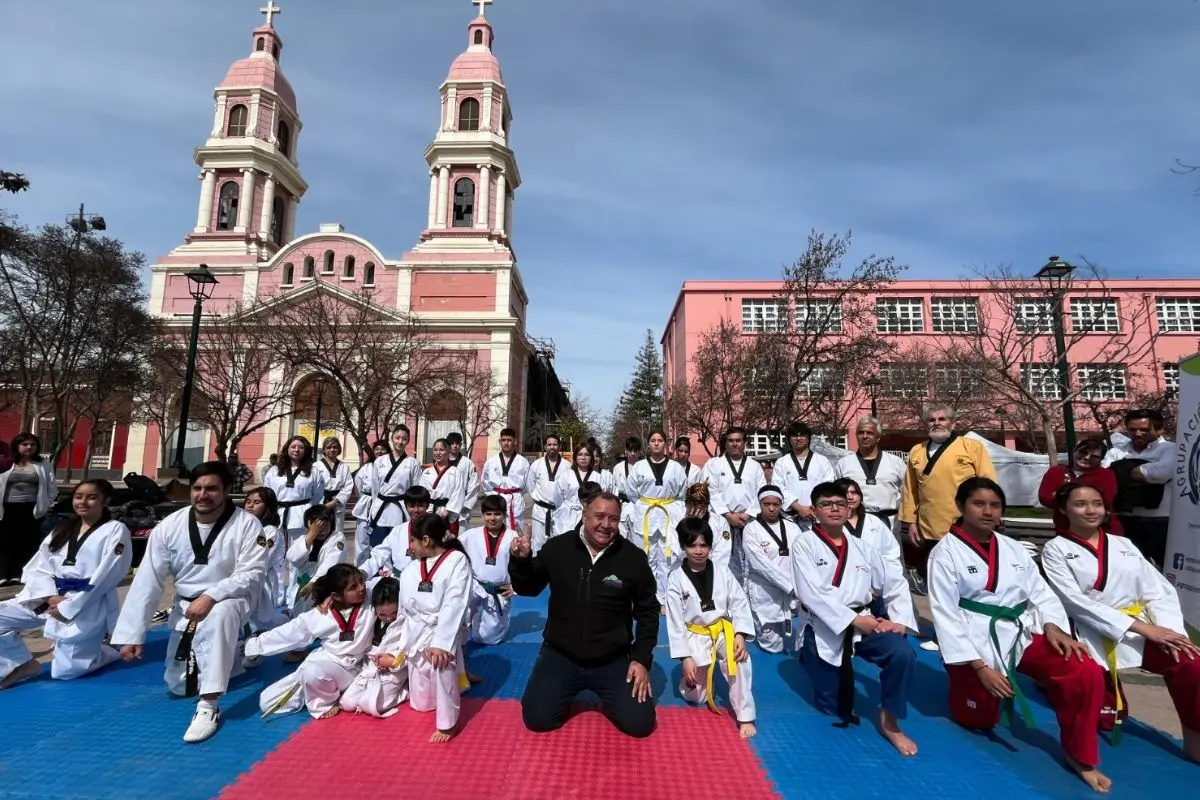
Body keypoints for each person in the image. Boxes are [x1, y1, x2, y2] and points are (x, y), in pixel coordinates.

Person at [926, 477, 1109, 792]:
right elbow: (945, 615)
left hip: (1020, 631)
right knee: (978, 719)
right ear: (960, 506)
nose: (987, 511)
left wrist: (1053, 625)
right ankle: (968, 697)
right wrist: (980, 668)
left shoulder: (1012, 548)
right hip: (975, 639)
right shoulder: (944, 554)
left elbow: (1041, 592)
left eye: (995, 505)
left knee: (1084, 670)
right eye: (978, 504)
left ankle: (1080, 753)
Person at [111, 461, 270, 743]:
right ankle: (233, 656)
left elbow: (253, 573)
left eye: (211, 488)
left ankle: (209, 705)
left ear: (225, 491)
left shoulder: (247, 524)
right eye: (197, 488)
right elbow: (148, 579)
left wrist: (212, 595)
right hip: (186, 605)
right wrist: (132, 633)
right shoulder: (170, 526)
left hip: (233, 598)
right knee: (180, 686)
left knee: (219, 616)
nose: (203, 494)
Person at [1041, 483, 1200, 762]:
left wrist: (1170, 631)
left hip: (1139, 629)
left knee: (1190, 663)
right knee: (1106, 717)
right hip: (1090, 630)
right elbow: (1074, 602)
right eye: (1080, 504)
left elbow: (1157, 590)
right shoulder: (1055, 549)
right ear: (1064, 509)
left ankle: (1195, 740)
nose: (1090, 510)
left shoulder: (1123, 544)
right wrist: (1141, 628)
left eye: (1096, 503)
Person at [510, 491, 659, 738]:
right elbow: (528, 587)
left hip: (611, 660)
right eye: (599, 516)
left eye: (613, 519)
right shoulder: (558, 549)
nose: (605, 525)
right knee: (537, 719)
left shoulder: (632, 559)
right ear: (584, 515)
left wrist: (641, 659)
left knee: (640, 724)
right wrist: (520, 562)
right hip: (561, 655)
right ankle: (559, 688)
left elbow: (648, 611)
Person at [793, 482, 919, 755]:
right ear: (814, 511)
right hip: (824, 625)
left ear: (849, 507)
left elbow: (894, 581)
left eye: (840, 503)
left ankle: (891, 722)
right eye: (826, 504)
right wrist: (851, 620)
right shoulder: (804, 545)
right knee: (831, 707)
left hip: (865, 620)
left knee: (902, 654)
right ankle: (808, 656)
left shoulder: (862, 547)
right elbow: (811, 594)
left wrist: (898, 620)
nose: (835, 509)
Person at [0, 479, 132, 688]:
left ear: (105, 500)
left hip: (87, 602)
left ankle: (106, 650)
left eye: (92, 497)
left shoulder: (115, 529)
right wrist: (49, 596)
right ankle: (20, 665)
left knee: (65, 672)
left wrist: (69, 606)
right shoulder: (63, 528)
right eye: (79, 496)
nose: (83, 502)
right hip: (48, 598)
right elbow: (38, 566)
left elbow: (108, 574)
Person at [667, 516, 756, 738]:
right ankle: (697, 673)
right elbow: (675, 622)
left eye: (703, 545)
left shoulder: (723, 571)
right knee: (695, 696)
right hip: (694, 634)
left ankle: (745, 715)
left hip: (722, 629)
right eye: (692, 545)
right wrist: (685, 658)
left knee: (739, 658)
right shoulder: (676, 579)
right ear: (683, 547)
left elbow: (739, 602)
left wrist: (740, 634)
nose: (698, 551)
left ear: (710, 546)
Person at [248, 563, 374, 720]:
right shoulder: (322, 614)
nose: (361, 588)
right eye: (354, 587)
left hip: (355, 668)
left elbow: (392, 582)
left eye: (361, 581)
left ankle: (325, 704)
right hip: (329, 663)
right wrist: (254, 645)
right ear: (336, 596)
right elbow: (290, 632)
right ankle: (322, 690)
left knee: (312, 673)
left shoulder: (370, 596)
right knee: (267, 702)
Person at [898, 403, 997, 597]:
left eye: (942, 419)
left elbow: (988, 484)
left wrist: (991, 515)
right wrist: (910, 522)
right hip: (930, 529)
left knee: (970, 582)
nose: (937, 423)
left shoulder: (971, 447)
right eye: (932, 420)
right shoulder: (917, 451)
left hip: (965, 526)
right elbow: (910, 490)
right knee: (938, 584)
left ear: (953, 423)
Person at [398, 513, 473, 743]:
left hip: (443, 628)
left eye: (413, 540)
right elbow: (404, 609)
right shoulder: (411, 568)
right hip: (417, 629)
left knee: (442, 664)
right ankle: (458, 681)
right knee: (421, 703)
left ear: (427, 540)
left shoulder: (456, 560)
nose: (410, 546)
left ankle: (447, 723)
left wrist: (441, 643)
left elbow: (455, 601)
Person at [623, 431, 687, 607]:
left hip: (669, 514)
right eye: (653, 440)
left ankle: (665, 599)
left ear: (666, 444)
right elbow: (630, 491)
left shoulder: (675, 467)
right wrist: (644, 504)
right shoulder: (639, 466)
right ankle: (645, 598)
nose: (656, 443)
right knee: (645, 557)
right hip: (645, 514)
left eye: (660, 440)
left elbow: (682, 492)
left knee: (667, 558)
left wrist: (670, 505)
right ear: (648, 444)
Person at [1102, 409, 1174, 567]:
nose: (1138, 434)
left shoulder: (1171, 450)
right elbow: (1106, 477)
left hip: (1160, 524)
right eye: (1132, 429)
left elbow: (1160, 474)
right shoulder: (1116, 451)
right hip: (1123, 521)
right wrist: (1140, 472)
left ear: (1159, 429)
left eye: (1144, 429)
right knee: (1128, 570)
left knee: (1165, 571)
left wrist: (1122, 470)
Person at [702, 427, 766, 587]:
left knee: (751, 559)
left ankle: (747, 597)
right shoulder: (714, 464)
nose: (735, 444)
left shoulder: (755, 466)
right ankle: (721, 595)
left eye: (738, 441)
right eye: (731, 441)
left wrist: (748, 514)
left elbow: (762, 493)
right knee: (721, 559)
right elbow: (711, 491)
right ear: (726, 443)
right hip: (722, 520)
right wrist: (728, 515)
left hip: (748, 521)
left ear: (745, 443)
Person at [263, 436, 326, 595]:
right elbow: (267, 492)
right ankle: (275, 594)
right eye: (293, 447)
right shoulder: (275, 470)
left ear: (306, 451)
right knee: (275, 555)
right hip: (278, 515)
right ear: (287, 449)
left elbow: (318, 495)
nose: (296, 450)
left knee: (297, 555)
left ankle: (292, 593)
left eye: (300, 447)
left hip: (300, 515)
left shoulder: (313, 471)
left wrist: (309, 513)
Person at [340, 576, 409, 718]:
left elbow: (408, 650)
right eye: (382, 614)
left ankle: (406, 691)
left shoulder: (406, 622)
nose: (389, 618)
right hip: (370, 669)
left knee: (372, 705)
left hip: (394, 671)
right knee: (347, 703)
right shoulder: (371, 620)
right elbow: (368, 586)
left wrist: (392, 661)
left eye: (394, 613)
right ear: (375, 608)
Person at [741, 485, 800, 653]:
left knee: (791, 637)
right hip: (764, 591)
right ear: (760, 505)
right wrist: (789, 585)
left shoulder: (792, 527)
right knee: (773, 647)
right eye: (767, 504)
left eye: (776, 504)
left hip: (789, 592)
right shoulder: (751, 529)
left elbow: (801, 556)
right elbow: (760, 564)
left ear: (781, 505)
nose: (772, 508)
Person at [836, 477, 905, 617]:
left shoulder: (874, 522)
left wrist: (884, 583)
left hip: (878, 587)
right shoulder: (833, 525)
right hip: (847, 591)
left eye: (854, 492)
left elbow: (891, 554)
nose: (850, 497)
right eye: (845, 493)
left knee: (885, 626)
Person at [0, 433, 58, 586]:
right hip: (7, 508)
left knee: (27, 541)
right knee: (5, 541)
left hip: (32, 509)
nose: (29, 447)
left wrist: (46, 505)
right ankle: (3, 574)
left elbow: (52, 488)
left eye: (32, 444)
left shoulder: (43, 464)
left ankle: (19, 574)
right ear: (17, 446)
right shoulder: (6, 462)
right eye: (25, 444)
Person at [462, 495, 518, 644]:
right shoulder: (470, 536)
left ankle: (499, 621)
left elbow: (521, 566)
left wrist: (516, 586)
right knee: (458, 619)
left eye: (497, 514)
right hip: (474, 586)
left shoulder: (513, 536)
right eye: (488, 514)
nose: (492, 518)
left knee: (487, 639)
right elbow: (452, 551)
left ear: (504, 515)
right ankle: (472, 615)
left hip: (499, 590)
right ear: (482, 515)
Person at [1038, 437, 1121, 535]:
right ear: (1075, 451)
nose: (1087, 457)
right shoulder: (1056, 472)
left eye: (1094, 456)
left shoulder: (1107, 475)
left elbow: (1106, 502)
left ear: (1101, 459)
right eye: (1083, 452)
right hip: (1065, 529)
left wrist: (1061, 496)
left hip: (1101, 531)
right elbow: (1045, 498)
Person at [835, 416, 906, 528]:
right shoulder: (844, 463)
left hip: (890, 522)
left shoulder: (895, 462)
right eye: (860, 432)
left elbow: (906, 493)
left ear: (878, 437)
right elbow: (837, 494)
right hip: (854, 521)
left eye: (870, 433)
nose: (864, 436)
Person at [285, 506, 347, 621]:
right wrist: (312, 534)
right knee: (299, 618)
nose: (321, 531)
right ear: (308, 527)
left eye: (325, 526)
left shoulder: (337, 538)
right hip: (304, 587)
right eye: (317, 528)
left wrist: (314, 582)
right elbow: (292, 558)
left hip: (326, 585)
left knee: (320, 618)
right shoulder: (305, 539)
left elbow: (330, 563)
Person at [365, 425, 422, 548]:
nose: (400, 442)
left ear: (408, 441)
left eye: (404, 439)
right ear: (392, 438)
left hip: (401, 508)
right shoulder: (380, 461)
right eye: (397, 438)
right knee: (377, 548)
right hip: (381, 507)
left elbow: (415, 489)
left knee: (399, 548)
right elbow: (375, 488)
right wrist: (374, 505)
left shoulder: (413, 463)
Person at [241, 486, 287, 637]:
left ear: (268, 507)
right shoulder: (244, 527)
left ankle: (287, 620)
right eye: (248, 501)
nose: (250, 505)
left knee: (263, 624)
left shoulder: (270, 532)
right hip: (241, 578)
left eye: (256, 502)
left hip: (261, 583)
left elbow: (261, 559)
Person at [772, 422, 835, 523]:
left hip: (817, 515)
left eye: (802, 435)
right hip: (791, 518)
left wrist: (814, 508)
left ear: (808, 438)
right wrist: (799, 508)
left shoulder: (822, 461)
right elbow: (778, 488)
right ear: (789, 439)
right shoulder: (782, 462)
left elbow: (828, 486)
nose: (798, 438)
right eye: (794, 435)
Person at [360, 486, 425, 579]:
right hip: (398, 579)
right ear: (406, 507)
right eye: (412, 506)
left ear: (427, 505)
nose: (416, 510)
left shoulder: (436, 529)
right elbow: (380, 553)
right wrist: (363, 571)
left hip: (424, 578)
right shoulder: (398, 530)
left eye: (420, 506)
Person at [481, 427, 530, 533]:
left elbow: (526, 485)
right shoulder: (491, 461)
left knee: (516, 532)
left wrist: (517, 494)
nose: (506, 443)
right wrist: (493, 496)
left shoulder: (522, 462)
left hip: (515, 501)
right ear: (500, 441)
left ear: (515, 442)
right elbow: (485, 482)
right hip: (496, 499)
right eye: (503, 440)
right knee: (495, 531)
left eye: (509, 440)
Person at [350, 440, 388, 566]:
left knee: (380, 538)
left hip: (383, 504)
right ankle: (359, 568)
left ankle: (379, 568)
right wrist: (366, 499)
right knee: (362, 539)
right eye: (377, 449)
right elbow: (358, 484)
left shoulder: (389, 466)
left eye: (383, 449)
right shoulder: (366, 467)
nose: (379, 451)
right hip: (366, 504)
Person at [555, 440, 607, 533]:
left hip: (590, 515)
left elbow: (601, 498)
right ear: (575, 457)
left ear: (591, 457)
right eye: (580, 454)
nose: (583, 457)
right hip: (568, 516)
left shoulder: (598, 477)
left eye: (586, 455)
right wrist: (565, 508)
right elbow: (558, 499)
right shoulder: (566, 476)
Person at [527, 433, 565, 554]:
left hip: (559, 511)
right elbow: (530, 486)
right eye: (549, 444)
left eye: (554, 444)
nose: (552, 447)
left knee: (558, 544)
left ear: (559, 447)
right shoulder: (536, 465)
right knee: (538, 544)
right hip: (540, 510)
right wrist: (539, 500)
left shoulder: (567, 466)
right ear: (544, 447)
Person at [683, 482, 732, 571]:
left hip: (711, 571)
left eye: (701, 507)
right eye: (693, 506)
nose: (697, 510)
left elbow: (722, 553)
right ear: (686, 504)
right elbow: (676, 551)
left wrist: (708, 571)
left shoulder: (720, 522)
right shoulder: (677, 520)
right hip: (684, 569)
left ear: (707, 505)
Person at [313, 437, 354, 540]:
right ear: (324, 450)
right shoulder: (316, 466)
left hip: (337, 502)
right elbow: (312, 486)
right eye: (329, 447)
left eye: (335, 447)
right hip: (321, 501)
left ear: (339, 449)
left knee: (336, 533)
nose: (332, 450)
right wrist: (322, 503)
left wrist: (335, 501)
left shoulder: (344, 467)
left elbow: (348, 485)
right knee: (319, 531)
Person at [446, 432, 480, 531]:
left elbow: (474, 485)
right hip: (444, 506)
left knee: (461, 539)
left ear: (460, 445)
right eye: (452, 443)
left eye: (457, 443)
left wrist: (466, 505)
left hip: (461, 508)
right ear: (448, 445)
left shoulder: (467, 463)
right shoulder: (442, 461)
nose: (455, 446)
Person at [612, 436, 643, 508]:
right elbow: (614, 488)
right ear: (625, 450)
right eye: (630, 450)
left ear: (639, 452)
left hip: (640, 505)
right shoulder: (618, 468)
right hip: (623, 505)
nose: (632, 453)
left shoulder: (644, 467)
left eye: (635, 451)